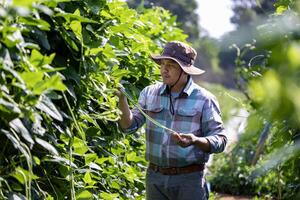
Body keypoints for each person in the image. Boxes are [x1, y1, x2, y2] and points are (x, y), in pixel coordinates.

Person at [117, 41, 227, 200]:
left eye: (171, 65)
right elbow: (128, 127)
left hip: (189, 180)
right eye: (162, 64)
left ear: (185, 71)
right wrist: (122, 100)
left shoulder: (204, 99)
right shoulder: (149, 93)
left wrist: (195, 140)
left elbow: (221, 140)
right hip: (155, 178)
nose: (164, 70)